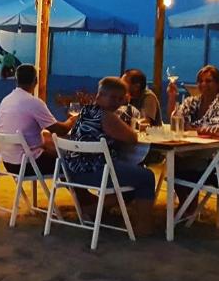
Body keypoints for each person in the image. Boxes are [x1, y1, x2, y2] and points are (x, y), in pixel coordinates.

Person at [63, 77, 157, 233]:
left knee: (133, 176)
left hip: (72, 171)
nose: (117, 102)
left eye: (120, 99)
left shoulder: (85, 111)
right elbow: (132, 138)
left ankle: (93, 209)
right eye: (113, 97)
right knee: (146, 176)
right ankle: (144, 226)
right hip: (95, 172)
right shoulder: (107, 116)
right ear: (99, 96)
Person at [166, 65, 219, 211]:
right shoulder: (193, 101)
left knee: (175, 163)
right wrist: (172, 97)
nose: (203, 84)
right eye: (200, 81)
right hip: (193, 150)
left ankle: (188, 206)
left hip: (215, 158)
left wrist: (193, 129)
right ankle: (187, 203)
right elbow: (175, 120)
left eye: (209, 81)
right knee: (173, 160)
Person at [0, 64, 73, 179]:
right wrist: (73, 120)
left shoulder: (6, 100)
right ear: (36, 81)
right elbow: (60, 130)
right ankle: (83, 196)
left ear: (16, 80)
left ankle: (78, 194)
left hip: (9, 163)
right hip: (28, 164)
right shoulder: (33, 103)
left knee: (48, 141)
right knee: (71, 164)